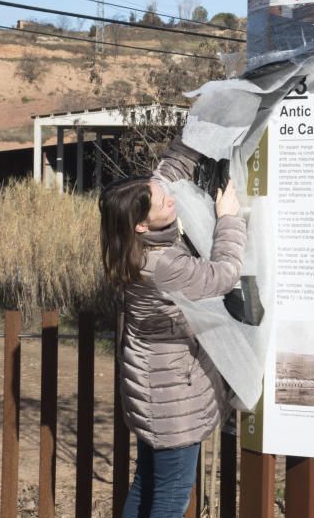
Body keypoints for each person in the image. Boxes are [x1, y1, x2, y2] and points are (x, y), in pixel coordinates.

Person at [99, 137, 247, 518]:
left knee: (147, 483)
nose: (167, 196)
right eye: (158, 200)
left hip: (151, 389)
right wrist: (228, 217)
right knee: (170, 497)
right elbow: (224, 275)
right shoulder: (161, 263)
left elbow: (167, 172)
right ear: (143, 224)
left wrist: (198, 131)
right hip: (172, 398)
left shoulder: (128, 247)